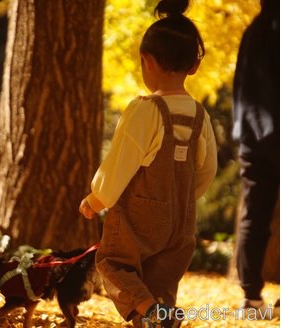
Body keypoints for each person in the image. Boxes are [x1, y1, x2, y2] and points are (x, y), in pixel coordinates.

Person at [79, 0, 217, 326]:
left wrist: (97, 198)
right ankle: (158, 314)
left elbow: (121, 161)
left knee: (113, 263)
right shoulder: (199, 114)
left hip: (140, 217)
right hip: (181, 219)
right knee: (162, 282)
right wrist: (182, 197)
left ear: (147, 61)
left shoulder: (146, 109)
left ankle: (153, 313)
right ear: (194, 66)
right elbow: (207, 168)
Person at [232, 0, 280, 317]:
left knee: (254, 216)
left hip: (252, 137)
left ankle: (251, 298)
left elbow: (241, 88)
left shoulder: (252, 33)